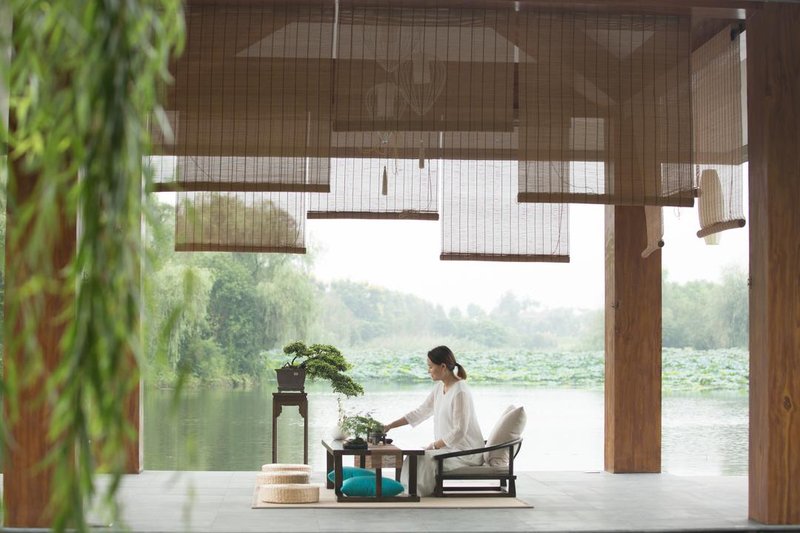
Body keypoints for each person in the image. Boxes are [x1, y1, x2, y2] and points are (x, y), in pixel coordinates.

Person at [382, 345, 484, 496]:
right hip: (447, 449)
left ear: (443, 366)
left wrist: (435, 445)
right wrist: (390, 426)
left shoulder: (460, 391)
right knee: (413, 456)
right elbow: (421, 412)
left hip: (465, 452)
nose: (428, 370)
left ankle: (416, 494)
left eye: (430, 366)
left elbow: (459, 431)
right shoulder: (439, 388)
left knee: (423, 458)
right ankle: (405, 491)